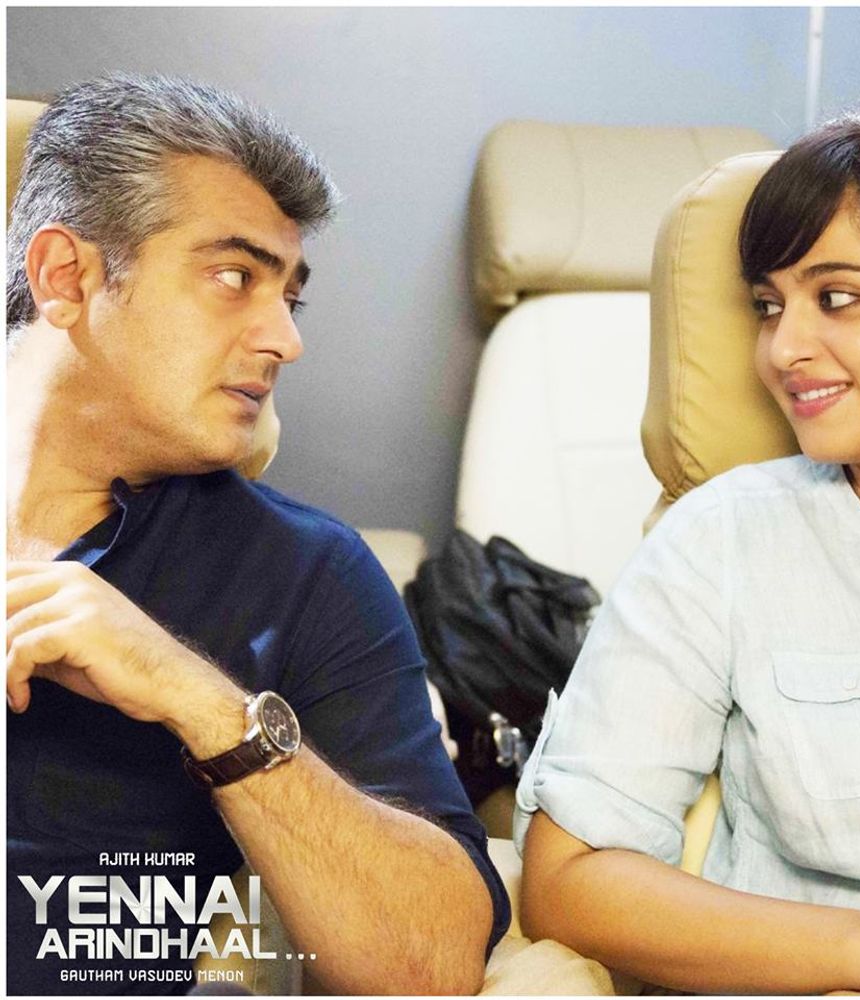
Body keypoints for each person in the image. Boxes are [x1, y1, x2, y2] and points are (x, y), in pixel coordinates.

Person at [6, 73, 509, 996]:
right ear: (66, 277)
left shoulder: (306, 575)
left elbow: (432, 965)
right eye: (234, 278)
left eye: (290, 297)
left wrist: (198, 699)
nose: (285, 339)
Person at [514, 107, 860, 996]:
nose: (785, 349)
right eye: (769, 307)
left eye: (836, 298)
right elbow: (566, 881)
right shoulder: (725, 541)